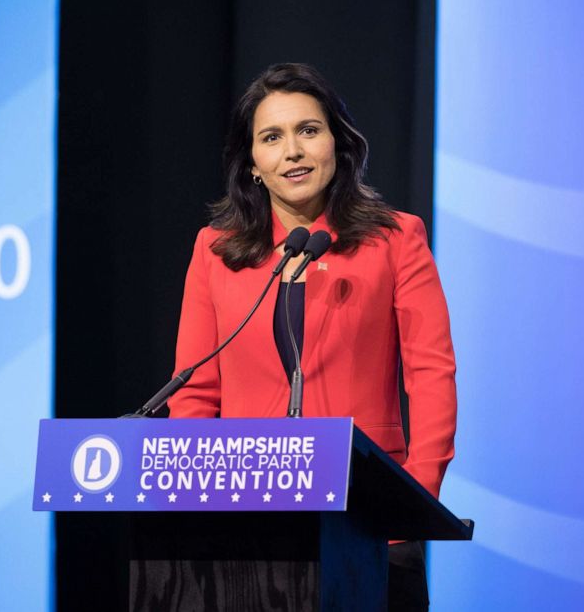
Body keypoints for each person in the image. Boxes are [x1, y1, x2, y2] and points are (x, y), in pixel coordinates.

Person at [168, 62, 457, 610]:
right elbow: (194, 394)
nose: (292, 151)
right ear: (252, 163)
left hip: (369, 518)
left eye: (308, 130)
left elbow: (432, 374)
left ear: (337, 143)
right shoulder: (215, 250)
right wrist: (201, 501)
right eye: (271, 138)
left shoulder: (396, 240)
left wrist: (412, 502)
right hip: (245, 515)